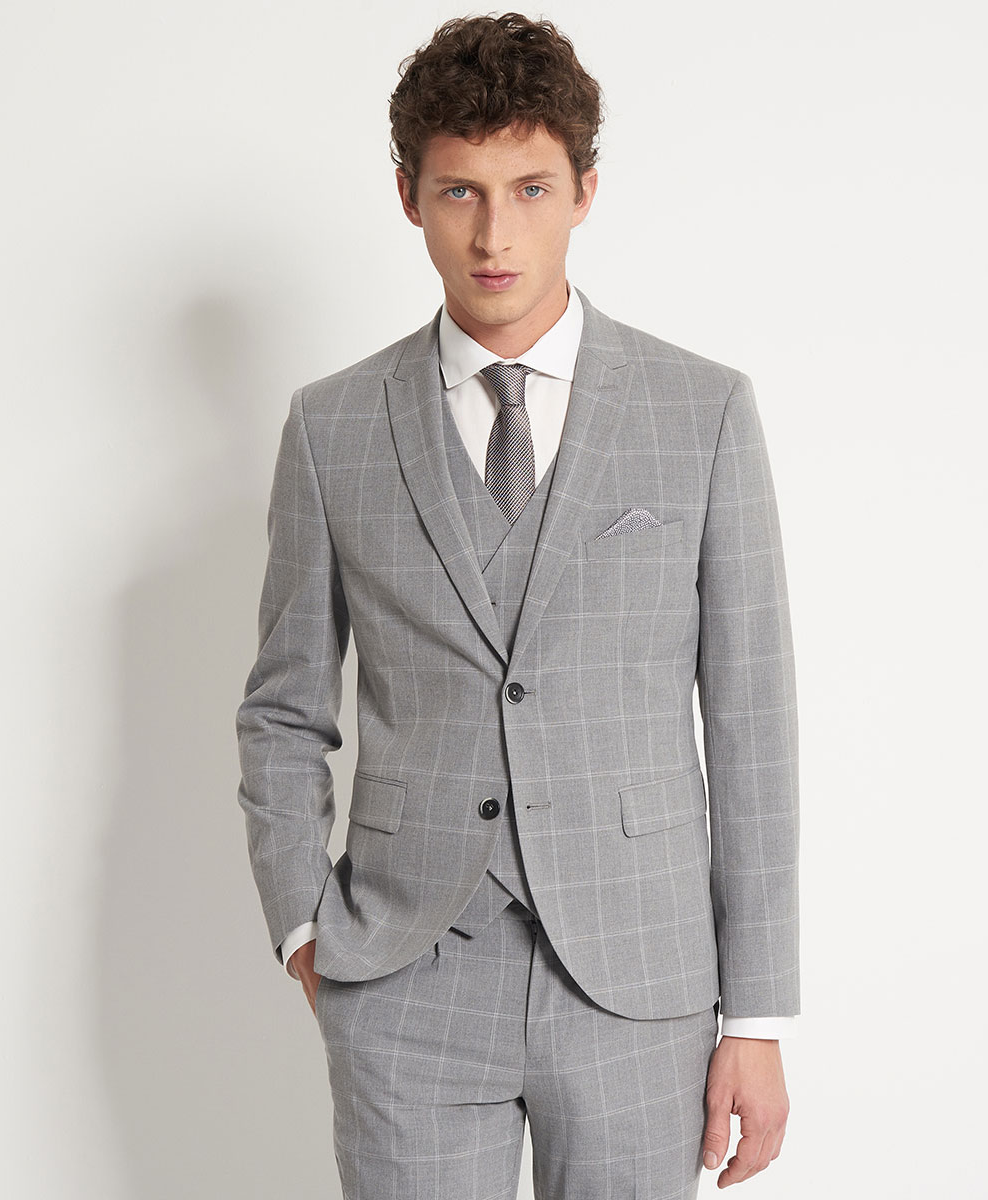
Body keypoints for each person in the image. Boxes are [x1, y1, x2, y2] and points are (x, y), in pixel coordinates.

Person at [236, 12, 799, 1197]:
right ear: (409, 197)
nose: (495, 235)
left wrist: (756, 1014)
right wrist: (304, 926)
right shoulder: (332, 428)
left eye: (530, 189)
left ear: (585, 190)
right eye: (461, 192)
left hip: (636, 979)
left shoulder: (701, 412)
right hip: (405, 977)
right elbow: (284, 709)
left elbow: (751, 723)